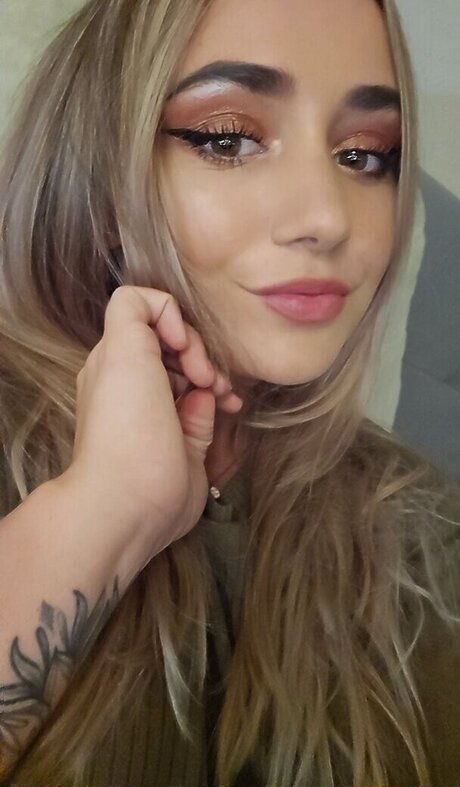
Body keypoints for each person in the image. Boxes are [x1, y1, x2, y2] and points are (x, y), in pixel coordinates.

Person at [0, 0, 459, 785]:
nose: (327, 218)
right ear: (100, 171)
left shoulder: (424, 532)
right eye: (227, 139)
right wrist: (101, 512)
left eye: (363, 155)